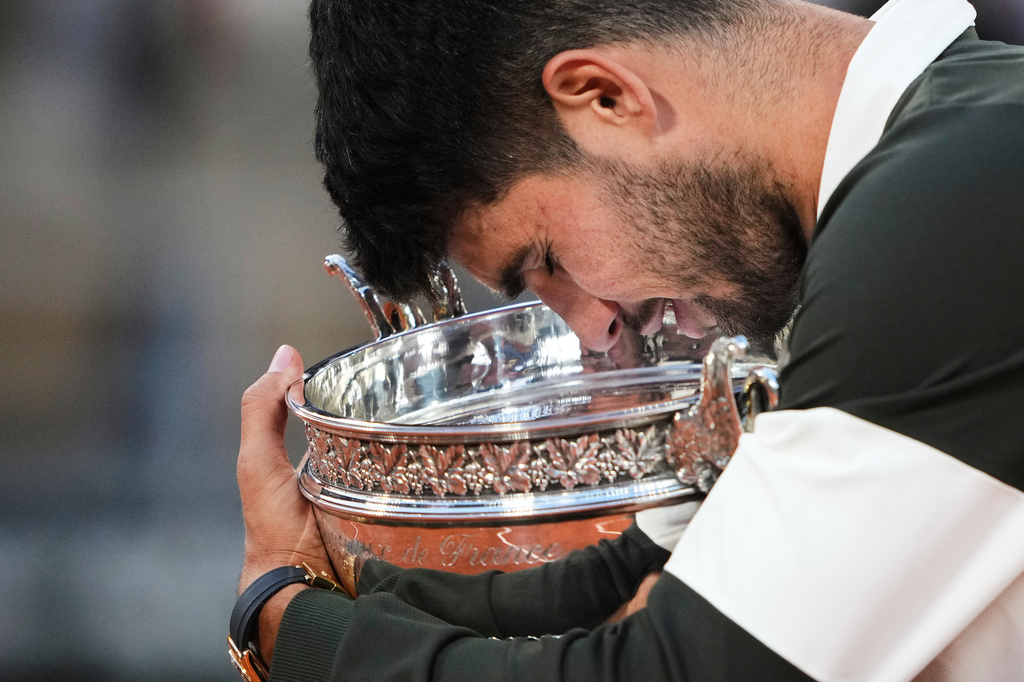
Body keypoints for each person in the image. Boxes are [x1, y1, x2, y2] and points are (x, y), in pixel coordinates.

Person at [235, 0, 1024, 679]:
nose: (591, 328)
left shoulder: (959, 204)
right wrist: (320, 579)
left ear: (605, 97)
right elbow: (618, 581)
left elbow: (661, 670)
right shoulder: (927, 177)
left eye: (545, 262)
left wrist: (289, 631)